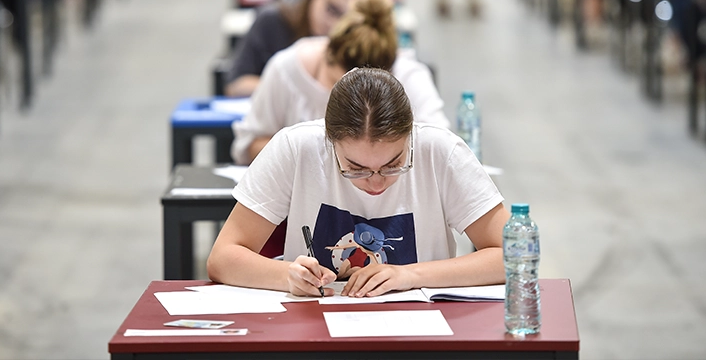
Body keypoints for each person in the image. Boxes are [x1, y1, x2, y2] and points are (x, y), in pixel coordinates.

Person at [207, 67, 508, 297]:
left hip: (420, 333)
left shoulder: (441, 152)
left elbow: (509, 255)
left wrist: (410, 275)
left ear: (410, 136)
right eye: (355, 168)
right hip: (313, 332)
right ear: (329, 141)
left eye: (393, 165)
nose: (375, 183)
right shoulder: (295, 148)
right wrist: (286, 275)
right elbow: (223, 257)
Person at [231, 0, 449, 165]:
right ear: (328, 52)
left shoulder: (410, 77)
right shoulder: (286, 68)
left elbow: (441, 151)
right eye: (336, 82)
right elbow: (248, 145)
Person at [225, 0, 378, 97]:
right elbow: (236, 86)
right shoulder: (272, 21)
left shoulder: (364, 41)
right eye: (331, 9)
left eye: (347, 20)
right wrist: (299, 88)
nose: (335, 25)